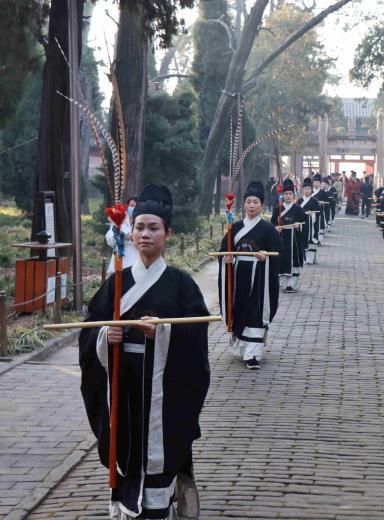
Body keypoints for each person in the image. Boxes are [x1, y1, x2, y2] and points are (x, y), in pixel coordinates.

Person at [79, 185, 210, 519]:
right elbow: (90, 329)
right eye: (139, 227)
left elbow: (196, 344)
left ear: (168, 234)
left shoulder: (183, 286)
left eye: (154, 228)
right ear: (131, 232)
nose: (145, 234)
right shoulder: (116, 283)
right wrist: (105, 337)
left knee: (158, 456)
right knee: (125, 450)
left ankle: (158, 509)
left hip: (162, 395)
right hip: (122, 385)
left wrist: (165, 331)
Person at [218, 181, 283, 369]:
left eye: (255, 202)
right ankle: (243, 347)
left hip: (259, 280)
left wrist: (266, 259)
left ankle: (253, 355)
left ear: (262, 205)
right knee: (239, 310)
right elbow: (224, 250)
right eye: (248, 202)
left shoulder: (268, 229)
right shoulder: (235, 228)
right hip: (238, 278)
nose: (252, 205)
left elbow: (278, 253)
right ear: (244, 204)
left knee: (255, 313)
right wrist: (227, 260)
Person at [271, 179, 306, 292]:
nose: (288, 196)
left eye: (290, 194)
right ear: (282, 195)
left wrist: (298, 225)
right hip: (281, 239)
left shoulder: (298, 209)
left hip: (294, 240)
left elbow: (305, 223)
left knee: (294, 259)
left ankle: (291, 284)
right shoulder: (278, 209)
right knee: (282, 259)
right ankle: (283, 283)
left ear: (293, 194)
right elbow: (272, 223)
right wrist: (276, 228)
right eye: (286, 194)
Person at [105, 196, 139, 274]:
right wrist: (121, 237)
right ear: (127, 206)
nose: (133, 208)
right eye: (131, 206)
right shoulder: (119, 220)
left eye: (136, 206)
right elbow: (109, 239)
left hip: (136, 262)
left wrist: (136, 239)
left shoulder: (142, 221)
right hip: (120, 261)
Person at [298, 177, 322, 264]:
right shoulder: (299, 201)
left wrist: (312, 214)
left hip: (312, 223)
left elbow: (319, 212)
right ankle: (303, 257)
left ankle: (311, 258)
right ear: (303, 190)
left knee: (311, 238)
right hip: (302, 224)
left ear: (311, 190)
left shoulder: (314, 201)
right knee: (302, 239)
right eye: (305, 189)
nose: (307, 190)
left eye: (308, 189)